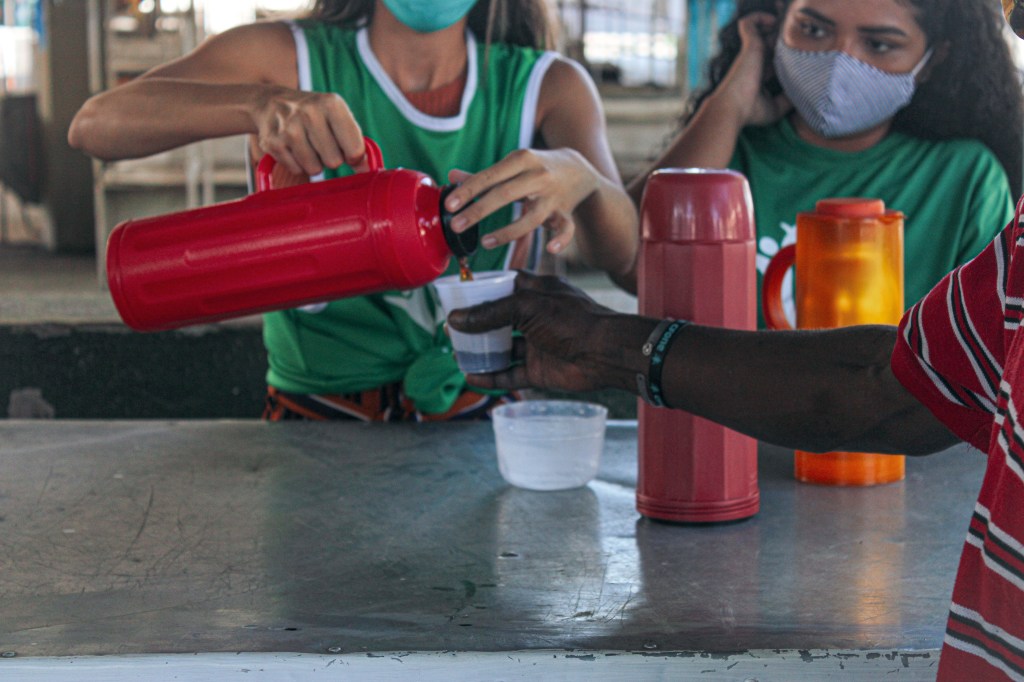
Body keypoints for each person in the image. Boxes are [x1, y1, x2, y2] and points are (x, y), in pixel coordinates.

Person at [68, 0, 638, 422]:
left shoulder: (547, 86)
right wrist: (257, 104)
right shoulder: (285, 59)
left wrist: (583, 179)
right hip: (313, 422)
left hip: (485, 428)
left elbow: (629, 262)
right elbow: (95, 126)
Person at [618, 0, 1021, 329]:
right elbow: (629, 263)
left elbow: (979, 350)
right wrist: (727, 108)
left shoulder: (964, 178)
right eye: (812, 30)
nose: (839, 60)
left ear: (933, 60)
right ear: (777, 24)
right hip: (731, 422)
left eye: (879, 45)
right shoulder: (726, 156)